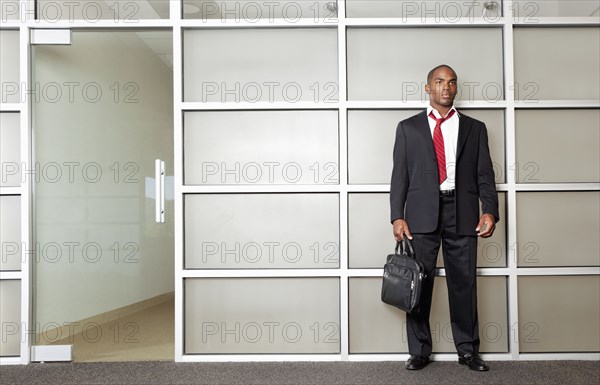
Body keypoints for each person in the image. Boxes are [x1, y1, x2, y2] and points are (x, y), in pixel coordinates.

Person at [390, 64, 499, 372]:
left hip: (462, 214)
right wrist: (397, 216)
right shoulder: (408, 128)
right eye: (439, 82)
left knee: (464, 285)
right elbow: (399, 177)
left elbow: (485, 176)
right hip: (421, 216)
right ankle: (420, 351)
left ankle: (468, 351)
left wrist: (489, 210)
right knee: (418, 285)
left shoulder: (474, 128)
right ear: (428, 88)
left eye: (451, 82)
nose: (446, 87)